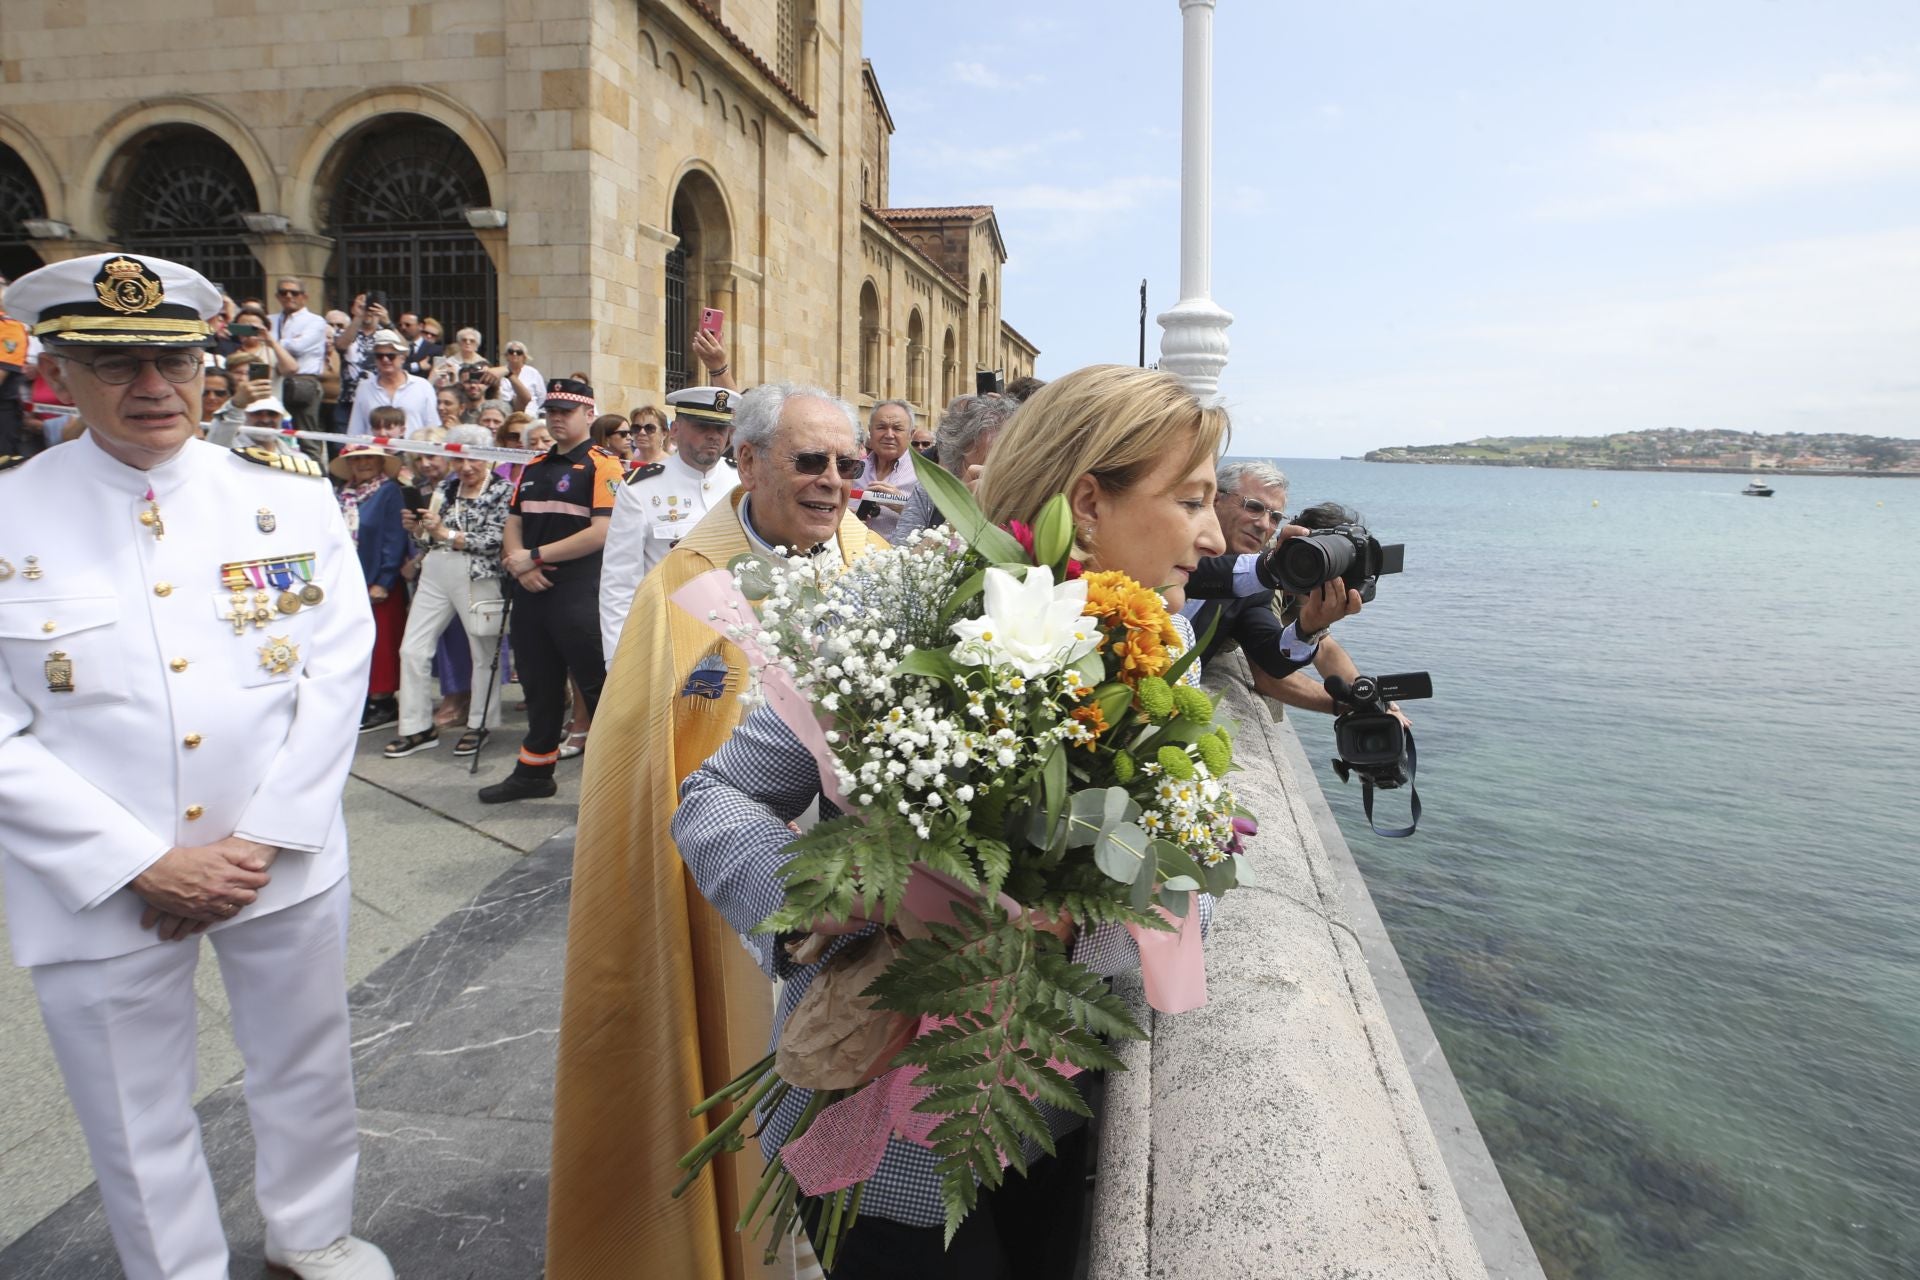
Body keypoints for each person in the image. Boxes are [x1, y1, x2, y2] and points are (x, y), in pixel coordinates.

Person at [672, 365, 1230, 1276]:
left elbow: (1192, 885)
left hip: (1050, 1119)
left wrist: (1063, 928)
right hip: (878, 1123)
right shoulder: (893, 610)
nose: (1212, 535)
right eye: (1193, 499)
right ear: (1087, 502)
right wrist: (820, 890)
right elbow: (717, 796)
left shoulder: (1168, 665)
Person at [0, 251, 391, 1279]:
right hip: (97, 876)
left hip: (281, 852)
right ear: (57, 369)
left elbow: (338, 667)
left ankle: (314, 1229)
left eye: (173, 359)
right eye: (114, 362)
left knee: (305, 1061)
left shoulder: (285, 497)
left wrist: (257, 839)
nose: (151, 387)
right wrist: (143, 861)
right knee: (132, 1108)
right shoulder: (10, 512)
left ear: (207, 364)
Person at [547, 381, 885, 1280]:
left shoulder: (881, 563)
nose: (833, 483)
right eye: (809, 462)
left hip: (869, 894)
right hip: (737, 889)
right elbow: (654, 750)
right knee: (744, 1070)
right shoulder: (687, 583)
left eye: (847, 465)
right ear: (747, 462)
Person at [478, 377, 622, 803]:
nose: (557, 419)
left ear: (588, 415)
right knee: (539, 687)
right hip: (532, 592)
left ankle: (619, 786)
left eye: (567, 411)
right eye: (552, 411)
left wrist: (533, 556)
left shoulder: (603, 465)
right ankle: (535, 772)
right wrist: (519, 563)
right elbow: (513, 521)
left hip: (579, 594)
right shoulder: (534, 466)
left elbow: (602, 532)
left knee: (597, 689)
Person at [386, 425, 513, 757]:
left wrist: (446, 534)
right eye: (458, 460)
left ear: (487, 457)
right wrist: (419, 529)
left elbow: (494, 539)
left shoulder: (502, 488)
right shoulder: (446, 486)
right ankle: (415, 726)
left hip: (477, 572)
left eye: (472, 460)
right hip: (436, 568)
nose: (466, 467)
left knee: (483, 653)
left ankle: (479, 722)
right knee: (412, 649)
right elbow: (428, 539)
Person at [597, 385, 739, 660]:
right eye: (702, 426)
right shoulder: (641, 488)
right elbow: (620, 579)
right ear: (675, 429)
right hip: (669, 637)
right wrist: (617, 657)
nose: (713, 435)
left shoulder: (743, 482)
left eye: (721, 428)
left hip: (735, 636)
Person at [332, 439, 409, 733]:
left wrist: (384, 580)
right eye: (356, 460)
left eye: (368, 459)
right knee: (354, 642)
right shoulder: (344, 494)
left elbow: (394, 538)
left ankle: (383, 701)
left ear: (379, 462)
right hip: (349, 579)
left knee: (382, 643)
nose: (362, 464)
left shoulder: (389, 492)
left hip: (378, 581)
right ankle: (363, 697)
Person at [891, 391, 1019, 542]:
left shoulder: (1027, 499)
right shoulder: (931, 493)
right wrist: (961, 514)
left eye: (1008, 463)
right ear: (957, 457)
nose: (990, 477)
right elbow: (900, 560)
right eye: (982, 468)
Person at [269, 277, 329, 438]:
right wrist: (286, 342)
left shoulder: (315, 321)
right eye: (284, 292)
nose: (289, 296)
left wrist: (272, 342)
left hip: (303, 382)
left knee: (305, 435)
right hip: (274, 381)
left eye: (294, 293)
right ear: (277, 296)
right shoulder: (270, 320)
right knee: (275, 431)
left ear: (304, 296)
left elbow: (299, 347)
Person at [347, 328, 437, 435]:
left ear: (402, 358)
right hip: (375, 450)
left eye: (391, 356)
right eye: (380, 356)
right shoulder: (364, 387)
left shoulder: (422, 386)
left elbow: (432, 428)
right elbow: (356, 429)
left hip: (413, 450)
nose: (385, 360)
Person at [853, 398, 918, 541]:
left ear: (911, 434)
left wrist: (902, 505)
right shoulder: (852, 470)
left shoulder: (924, 477)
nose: (889, 435)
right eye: (881, 427)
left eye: (897, 428)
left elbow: (936, 525)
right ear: (870, 430)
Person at [501, 339, 545, 413]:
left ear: (524, 356)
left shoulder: (533, 373)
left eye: (519, 352)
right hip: (505, 412)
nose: (515, 354)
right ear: (506, 355)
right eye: (511, 352)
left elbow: (542, 396)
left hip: (529, 413)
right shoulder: (500, 372)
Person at [397, 310, 442, 378]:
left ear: (421, 326)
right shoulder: (395, 347)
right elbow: (394, 369)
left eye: (407, 325)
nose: (403, 328)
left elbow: (438, 374)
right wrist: (417, 366)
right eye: (400, 325)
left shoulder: (435, 350)